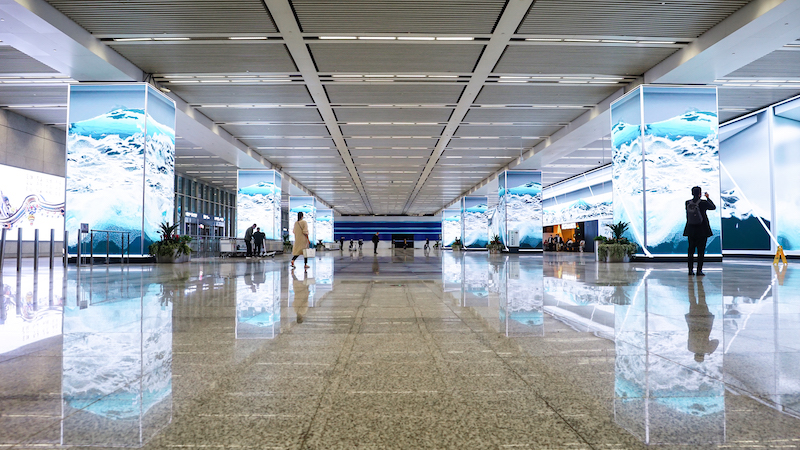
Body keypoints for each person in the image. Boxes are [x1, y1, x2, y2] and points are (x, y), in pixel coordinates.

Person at [684, 186, 716, 276]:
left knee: (691, 251)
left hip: (690, 230)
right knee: (700, 252)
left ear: (692, 193)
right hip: (702, 230)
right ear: (700, 194)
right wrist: (708, 197)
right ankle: (699, 271)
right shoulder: (704, 203)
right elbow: (713, 207)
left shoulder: (687, 203)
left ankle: (690, 270)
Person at [686, 278, 719, 362]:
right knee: (692, 300)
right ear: (694, 356)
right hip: (693, 321)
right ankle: (691, 282)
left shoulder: (707, 349)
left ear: (703, 356)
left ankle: (699, 282)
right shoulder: (690, 348)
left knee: (702, 299)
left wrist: (711, 351)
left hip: (705, 321)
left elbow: (716, 341)